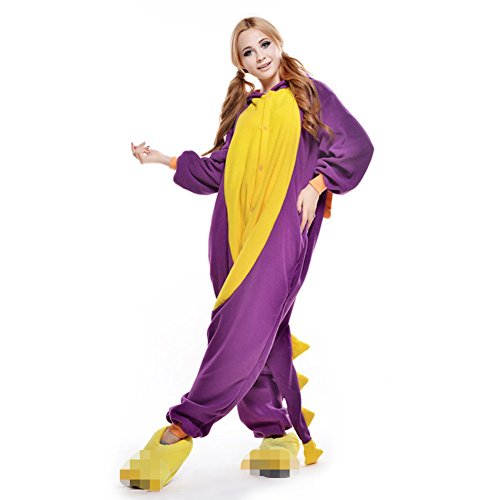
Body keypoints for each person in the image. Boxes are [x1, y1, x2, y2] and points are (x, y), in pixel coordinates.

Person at [121, 16, 374, 491]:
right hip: (232, 236)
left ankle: (182, 427)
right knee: (257, 328)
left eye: (264, 45)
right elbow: (215, 171)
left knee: (243, 328)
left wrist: (317, 184)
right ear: (240, 64)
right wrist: (161, 159)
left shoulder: (310, 96)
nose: (260, 57)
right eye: (248, 53)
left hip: (282, 232)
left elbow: (356, 146)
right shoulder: (246, 114)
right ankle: (274, 433)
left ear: (277, 43)